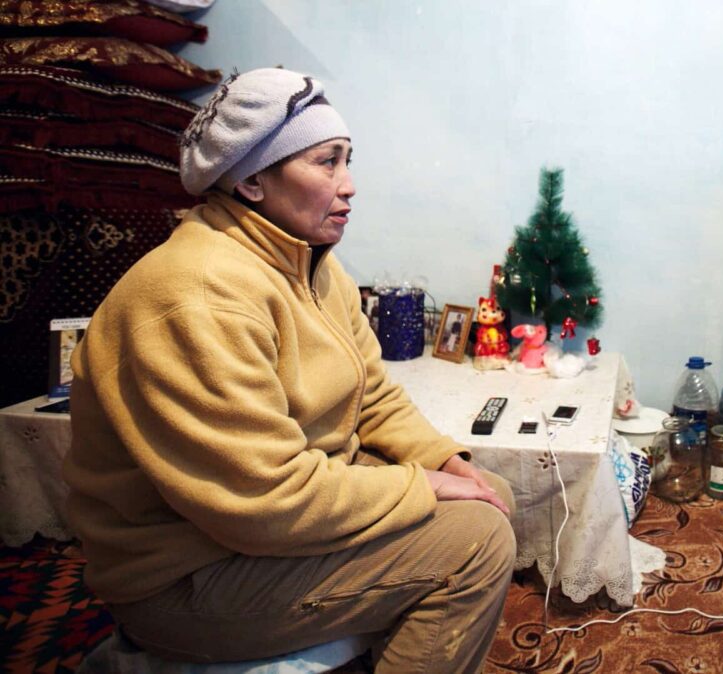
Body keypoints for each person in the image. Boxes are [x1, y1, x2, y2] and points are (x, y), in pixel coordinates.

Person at [62, 68, 515, 674]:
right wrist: (424, 487)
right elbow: (264, 500)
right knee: (475, 545)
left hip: (263, 529)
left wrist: (443, 460)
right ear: (251, 180)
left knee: (492, 494)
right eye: (326, 162)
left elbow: (371, 395)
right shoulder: (195, 296)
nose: (349, 185)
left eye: (348, 160)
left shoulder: (314, 267)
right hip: (187, 575)